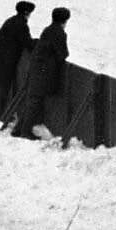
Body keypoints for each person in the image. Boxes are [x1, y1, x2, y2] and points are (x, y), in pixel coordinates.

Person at [13, 7, 70, 140]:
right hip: (44, 72)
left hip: (36, 68)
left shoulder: (48, 29)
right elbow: (63, 54)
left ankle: (19, 129)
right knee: (35, 102)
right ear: (65, 20)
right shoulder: (60, 33)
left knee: (32, 100)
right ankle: (25, 132)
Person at [0, 0, 36, 123]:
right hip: (5, 62)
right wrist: (38, 42)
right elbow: (27, 43)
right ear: (26, 13)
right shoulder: (21, 24)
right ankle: (3, 116)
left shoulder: (10, 20)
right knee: (3, 90)